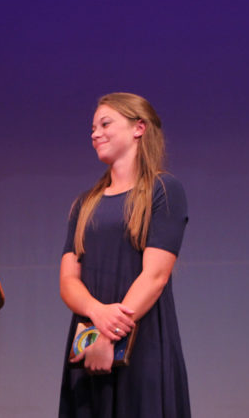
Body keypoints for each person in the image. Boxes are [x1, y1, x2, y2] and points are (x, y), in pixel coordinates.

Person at [59, 92, 191, 417]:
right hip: (88, 345)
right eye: (92, 128)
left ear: (139, 128)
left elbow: (155, 276)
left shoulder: (163, 190)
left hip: (142, 345)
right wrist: (97, 315)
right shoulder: (84, 203)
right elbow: (68, 279)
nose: (95, 133)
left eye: (105, 123)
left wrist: (110, 337)